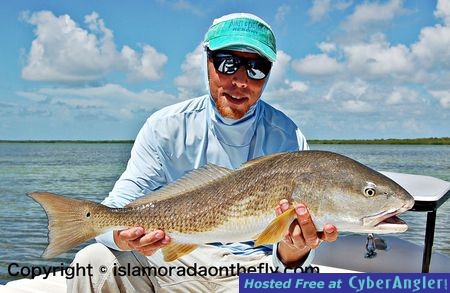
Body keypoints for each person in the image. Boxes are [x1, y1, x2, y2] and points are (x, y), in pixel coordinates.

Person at [67, 13, 338, 292]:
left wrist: (294, 251)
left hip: (254, 265)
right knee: (94, 261)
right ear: (207, 61)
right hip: (173, 259)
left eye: (257, 68)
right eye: (228, 63)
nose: (241, 80)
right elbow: (119, 206)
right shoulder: (165, 126)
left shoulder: (288, 137)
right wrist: (122, 238)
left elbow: (288, 264)